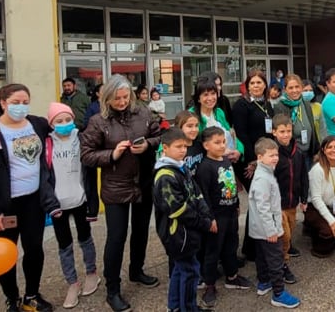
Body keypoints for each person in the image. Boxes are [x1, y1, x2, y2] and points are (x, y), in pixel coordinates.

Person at [0, 83, 61, 312]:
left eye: (25, 102)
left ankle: (32, 295)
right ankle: (12, 298)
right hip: (4, 205)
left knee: (34, 249)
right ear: (3, 103)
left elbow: (62, 129)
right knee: (4, 254)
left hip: (33, 201)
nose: (21, 107)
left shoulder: (37, 124)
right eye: (15, 103)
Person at [80, 75, 162, 312]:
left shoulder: (144, 113)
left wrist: (148, 144)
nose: (123, 101)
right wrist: (111, 155)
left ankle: (137, 271)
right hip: (116, 186)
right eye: (117, 98)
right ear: (107, 97)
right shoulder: (98, 121)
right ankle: (112, 289)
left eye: (126, 97)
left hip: (143, 183)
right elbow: (86, 154)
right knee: (116, 238)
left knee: (140, 232)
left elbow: (160, 135)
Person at [153, 128, 216, 312]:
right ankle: (188, 308)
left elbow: (196, 193)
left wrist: (206, 213)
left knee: (181, 270)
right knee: (189, 272)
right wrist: (204, 222)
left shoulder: (181, 166)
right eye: (178, 147)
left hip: (188, 231)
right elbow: (178, 209)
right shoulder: (166, 176)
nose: (183, 150)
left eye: (185, 147)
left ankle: (174, 306)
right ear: (165, 148)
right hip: (178, 234)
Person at [45, 103, 100, 309]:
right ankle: (72, 283)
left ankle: (92, 273)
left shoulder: (82, 139)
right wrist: (49, 202)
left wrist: (92, 203)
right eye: (59, 121)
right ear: (51, 124)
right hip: (58, 202)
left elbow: (91, 173)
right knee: (64, 245)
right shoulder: (47, 144)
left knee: (85, 238)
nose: (64, 124)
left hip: (80, 199)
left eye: (67, 119)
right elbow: (44, 175)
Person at [194, 126, 253, 309]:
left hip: (230, 213)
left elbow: (231, 185)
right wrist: (209, 218)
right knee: (213, 250)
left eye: (223, 142)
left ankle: (232, 276)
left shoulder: (226, 162)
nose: (221, 146)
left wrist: (236, 205)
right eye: (216, 143)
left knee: (231, 245)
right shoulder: (205, 167)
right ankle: (209, 285)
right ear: (205, 145)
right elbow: (203, 195)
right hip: (216, 217)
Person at [249, 137, 302, 309]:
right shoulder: (263, 179)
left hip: (260, 228)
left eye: (276, 154)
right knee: (276, 260)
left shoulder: (265, 172)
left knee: (262, 257)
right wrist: (271, 230)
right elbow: (263, 208)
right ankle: (278, 294)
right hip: (268, 229)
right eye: (271, 155)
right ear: (259, 157)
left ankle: (264, 283)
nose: (275, 158)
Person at [232, 69, 274, 260]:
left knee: (260, 201)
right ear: (247, 85)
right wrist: (253, 161)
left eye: (259, 82)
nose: (256, 86)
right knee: (258, 200)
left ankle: (254, 244)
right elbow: (242, 135)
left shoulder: (267, 104)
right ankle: (250, 248)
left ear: (265, 85)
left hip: (265, 161)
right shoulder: (241, 105)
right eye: (252, 83)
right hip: (249, 162)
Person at [270, 114, 308, 277]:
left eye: (288, 131)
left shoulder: (298, 152)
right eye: (282, 131)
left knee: (290, 231)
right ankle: (282, 264)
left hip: (293, 202)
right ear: (274, 132)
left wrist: (304, 198)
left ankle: (283, 254)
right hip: (278, 204)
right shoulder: (272, 154)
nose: (286, 135)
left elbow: (303, 176)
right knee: (283, 235)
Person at [273, 74, 320, 170]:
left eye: (297, 87)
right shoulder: (280, 106)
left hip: (308, 155)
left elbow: (312, 127)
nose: (294, 90)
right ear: (285, 89)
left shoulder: (305, 103)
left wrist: (316, 150)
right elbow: (280, 134)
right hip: (292, 156)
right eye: (291, 88)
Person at [174, 111, 206, 176]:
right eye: (189, 126)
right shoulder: (175, 150)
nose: (194, 129)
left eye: (196, 125)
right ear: (179, 127)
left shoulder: (201, 144)